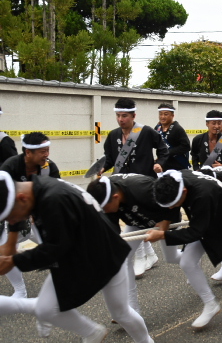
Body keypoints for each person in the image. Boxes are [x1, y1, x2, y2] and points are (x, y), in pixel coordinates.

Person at [0, 173, 154, 342]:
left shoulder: (53, 200)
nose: (12, 222)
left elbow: (54, 249)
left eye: (11, 217)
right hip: (82, 255)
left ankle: (132, 339)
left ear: (21, 198)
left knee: (121, 313)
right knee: (46, 309)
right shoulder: (40, 189)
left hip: (105, 256)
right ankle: (91, 332)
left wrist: (14, 261)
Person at [147, 169, 222, 328]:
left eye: (174, 204)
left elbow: (195, 232)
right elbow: (192, 224)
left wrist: (162, 235)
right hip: (204, 220)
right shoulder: (175, 179)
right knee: (187, 262)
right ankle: (210, 303)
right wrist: (164, 225)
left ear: (184, 191)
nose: (172, 208)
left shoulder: (203, 194)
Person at [86, 174, 182, 315]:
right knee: (124, 259)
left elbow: (173, 199)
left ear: (116, 197)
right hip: (135, 222)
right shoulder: (106, 193)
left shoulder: (142, 188)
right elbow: (113, 230)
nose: (105, 211)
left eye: (105, 208)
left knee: (172, 258)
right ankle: (132, 308)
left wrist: (165, 225)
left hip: (162, 220)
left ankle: (191, 258)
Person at [101, 98, 169, 277]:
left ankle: (140, 258)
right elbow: (110, 158)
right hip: (121, 185)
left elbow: (163, 150)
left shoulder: (146, 132)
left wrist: (160, 163)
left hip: (143, 185)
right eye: (118, 115)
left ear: (133, 116)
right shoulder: (113, 135)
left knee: (135, 220)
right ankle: (150, 256)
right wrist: (102, 168)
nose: (120, 119)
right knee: (133, 219)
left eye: (124, 116)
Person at [0, 132, 61, 300]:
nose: (47, 154)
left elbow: (57, 194)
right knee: (5, 251)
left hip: (41, 218)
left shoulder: (49, 168)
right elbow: (6, 201)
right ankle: (20, 291)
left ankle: (62, 285)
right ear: (28, 152)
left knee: (57, 251)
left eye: (47, 150)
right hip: (16, 218)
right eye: (43, 151)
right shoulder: (10, 167)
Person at [154, 103, 191, 171]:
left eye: (166, 114)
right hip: (163, 164)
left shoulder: (177, 128)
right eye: (160, 114)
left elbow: (186, 146)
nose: (162, 117)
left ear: (172, 115)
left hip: (177, 165)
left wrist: (167, 152)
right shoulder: (158, 128)